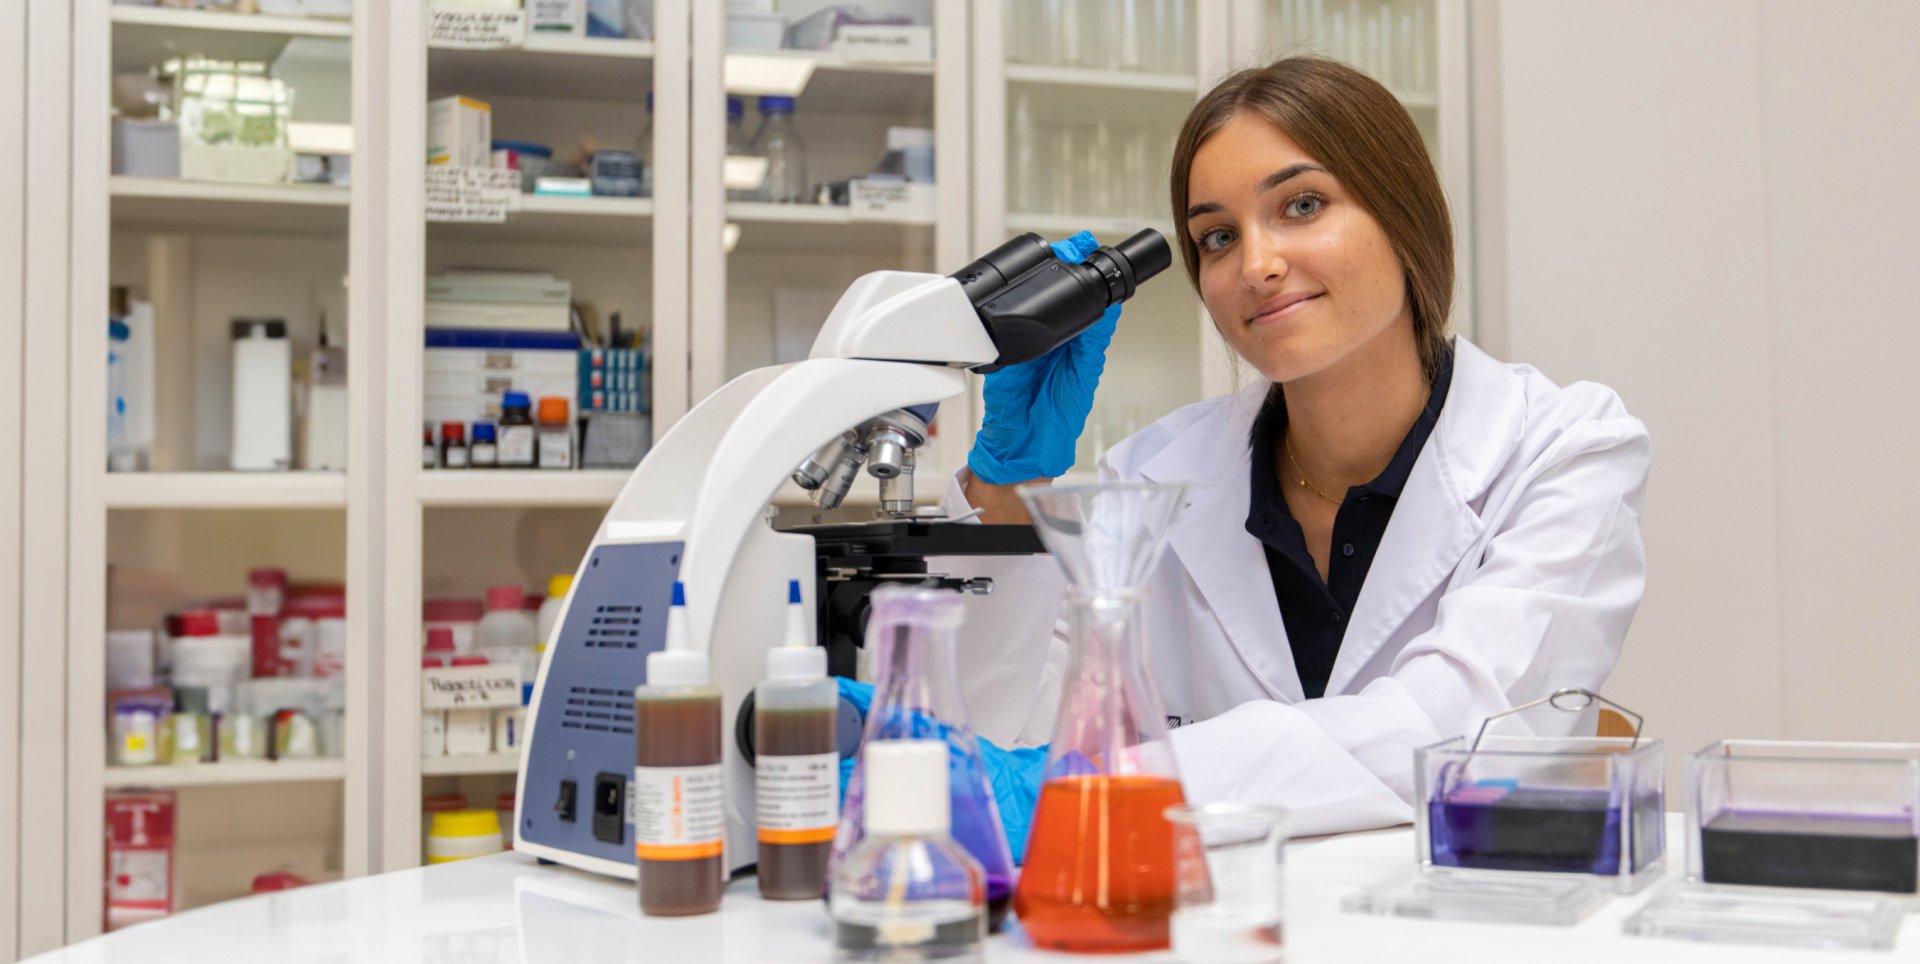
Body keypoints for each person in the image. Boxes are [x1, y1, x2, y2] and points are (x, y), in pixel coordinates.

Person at [947, 56, 1652, 839]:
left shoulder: (1563, 450)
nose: (1256, 266)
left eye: (1303, 204)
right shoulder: (1147, 479)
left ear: (1403, 215)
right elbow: (1000, 744)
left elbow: (1459, 734)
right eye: (1218, 237)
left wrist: (1117, 785)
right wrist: (1007, 484)